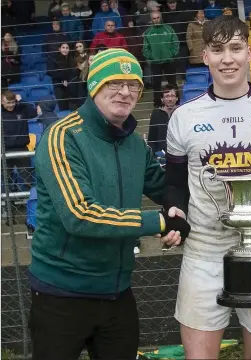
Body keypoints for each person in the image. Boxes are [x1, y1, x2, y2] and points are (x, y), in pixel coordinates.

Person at [28, 48, 191, 360]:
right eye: (115, 83)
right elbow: (80, 215)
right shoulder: (62, 137)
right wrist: (159, 222)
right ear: (94, 85)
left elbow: (162, 186)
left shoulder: (133, 143)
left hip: (116, 290)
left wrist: (178, 210)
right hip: (61, 292)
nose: (126, 92)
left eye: (134, 86)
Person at [162, 15, 251, 359]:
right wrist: (174, 211)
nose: (228, 59)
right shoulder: (183, 117)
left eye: (236, 48)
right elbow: (175, 185)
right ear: (205, 55)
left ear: (249, 52)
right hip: (204, 253)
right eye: (218, 49)